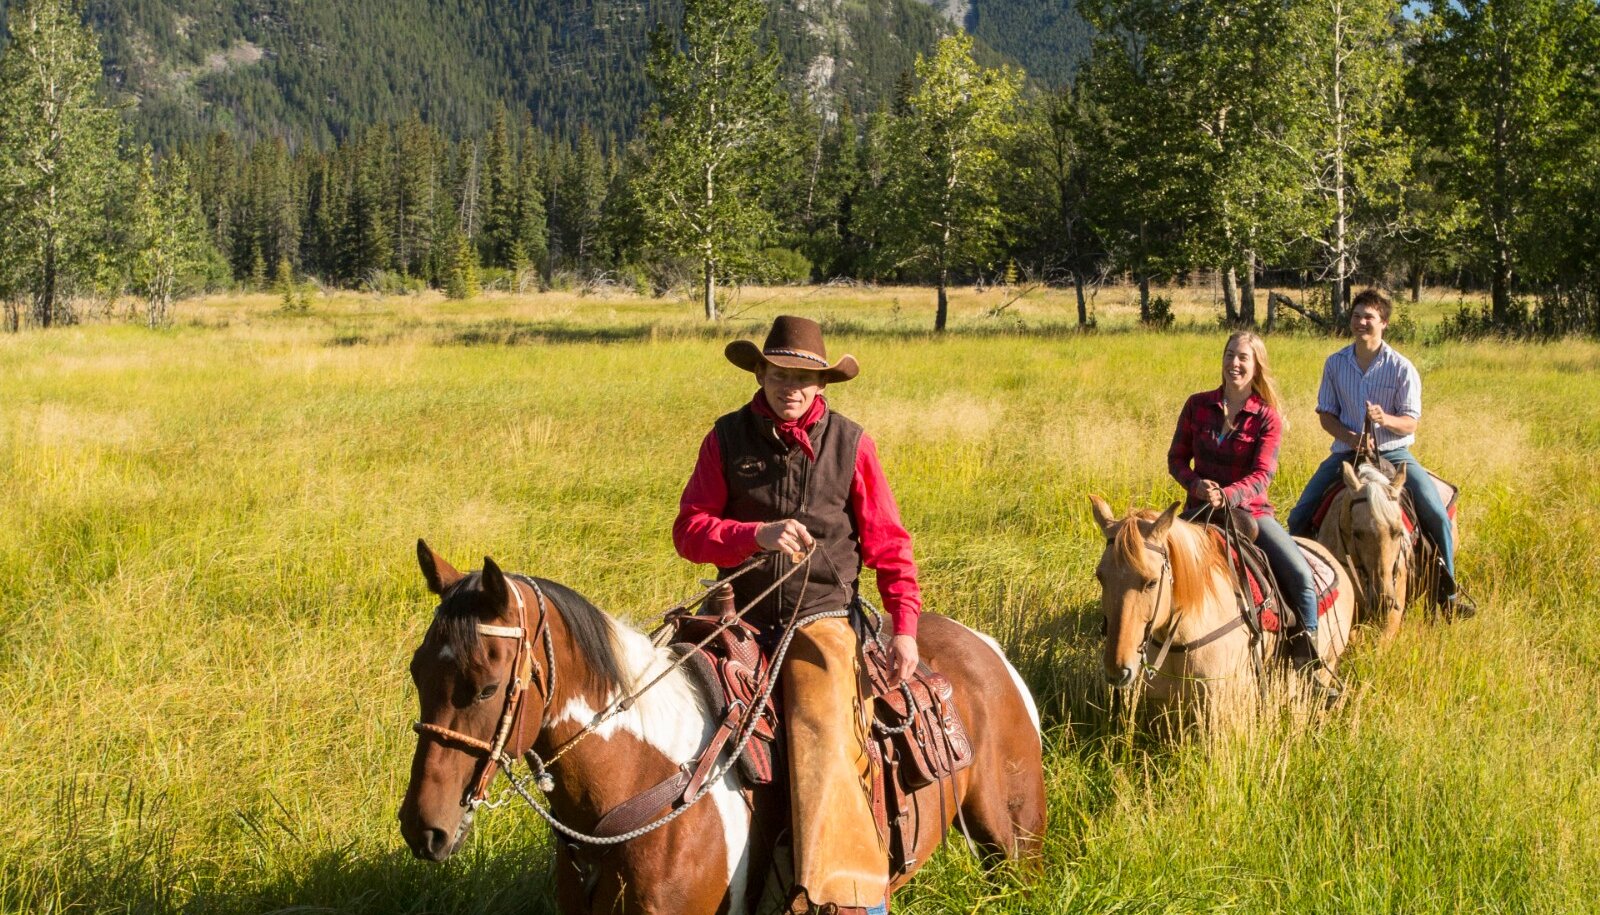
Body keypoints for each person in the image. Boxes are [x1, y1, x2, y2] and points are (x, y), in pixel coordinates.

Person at [673, 315, 921, 915]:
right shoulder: (726, 438)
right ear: (760, 372)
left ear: (823, 385)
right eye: (781, 373)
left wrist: (905, 628)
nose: (792, 387)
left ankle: (850, 895)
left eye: (805, 378)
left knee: (821, 724)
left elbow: (889, 543)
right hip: (740, 608)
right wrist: (754, 535)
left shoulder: (851, 443)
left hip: (822, 615)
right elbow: (689, 530)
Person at [1285, 288, 1471, 615]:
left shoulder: (1401, 367)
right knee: (1299, 515)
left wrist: (1386, 419)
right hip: (1347, 455)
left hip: (1394, 455)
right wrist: (1352, 438)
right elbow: (1326, 415)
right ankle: (1298, 592)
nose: (1361, 323)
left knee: (1437, 515)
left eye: (1368, 317)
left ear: (1384, 322)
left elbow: (1411, 423)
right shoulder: (1336, 363)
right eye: (1356, 316)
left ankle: (1448, 595)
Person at [1169, 331, 1331, 679]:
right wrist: (1195, 484)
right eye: (1229, 355)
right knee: (1149, 564)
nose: (1234, 364)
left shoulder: (1266, 417)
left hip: (1250, 514)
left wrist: (1226, 495)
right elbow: (1176, 459)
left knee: (1301, 577)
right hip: (1198, 512)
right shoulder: (1197, 404)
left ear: (1257, 365)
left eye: (1243, 357)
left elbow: (1262, 475)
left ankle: (1308, 662)